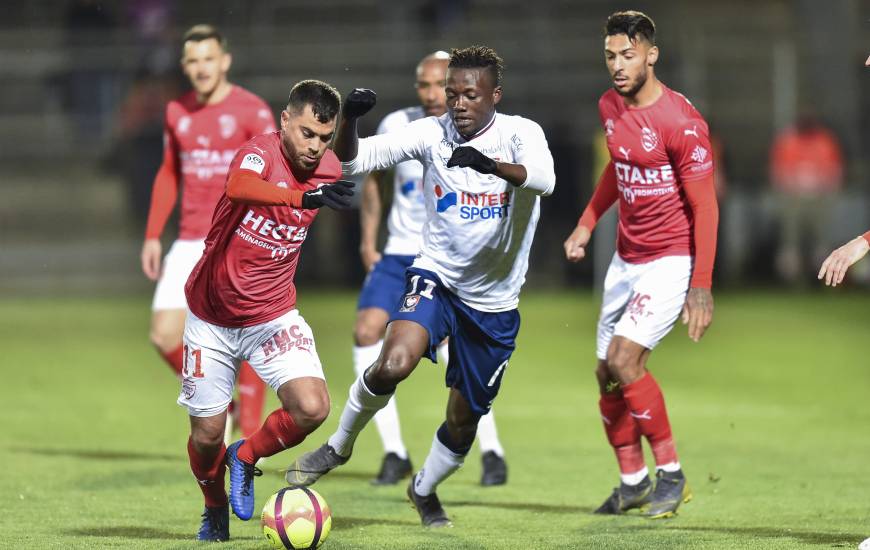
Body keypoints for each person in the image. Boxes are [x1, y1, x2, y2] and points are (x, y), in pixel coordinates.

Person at [287, 46, 555, 528]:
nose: (458, 105)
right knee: (392, 361)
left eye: (469, 95)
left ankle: (424, 489)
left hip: (494, 304)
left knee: (462, 420)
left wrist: (489, 165)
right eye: (452, 95)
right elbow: (355, 162)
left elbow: (544, 180)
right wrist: (350, 122)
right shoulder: (432, 133)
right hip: (437, 276)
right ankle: (338, 446)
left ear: (495, 94)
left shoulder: (521, 133)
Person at [179, 79, 354, 542]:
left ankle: (246, 457)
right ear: (283, 122)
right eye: (305, 133)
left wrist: (352, 124)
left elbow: (358, 160)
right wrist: (302, 198)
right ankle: (213, 507)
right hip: (212, 316)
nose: (314, 147)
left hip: (272, 315)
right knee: (206, 435)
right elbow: (239, 187)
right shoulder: (259, 152)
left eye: (324, 138)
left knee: (312, 408)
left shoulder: (329, 167)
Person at [563, 11, 718, 519]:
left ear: (652, 54)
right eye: (610, 55)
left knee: (627, 361)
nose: (617, 65)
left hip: (670, 261)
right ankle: (632, 482)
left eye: (627, 54)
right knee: (606, 372)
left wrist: (701, 285)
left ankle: (672, 476)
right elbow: (618, 165)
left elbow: (705, 206)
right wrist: (587, 222)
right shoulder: (610, 104)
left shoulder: (681, 122)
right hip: (625, 259)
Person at [354, 50, 508, 486]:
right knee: (368, 332)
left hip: (448, 262)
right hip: (399, 253)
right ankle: (393, 452)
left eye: (439, 84)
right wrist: (369, 240)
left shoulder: (482, 132)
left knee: (459, 356)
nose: (431, 93)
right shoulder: (398, 127)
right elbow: (375, 183)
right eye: (423, 84)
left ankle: (492, 450)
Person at [140, 25, 275, 443]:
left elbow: (272, 170)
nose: (201, 68)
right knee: (163, 334)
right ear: (185, 66)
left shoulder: (251, 110)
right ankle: (226, 403)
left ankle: (249, 433)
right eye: (193, 60)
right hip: (189, 238)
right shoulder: (176, 111)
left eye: (208, 59)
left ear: (225, 61)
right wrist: (152, 234)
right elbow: (169, 171)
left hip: (236, 236)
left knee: (246, 331)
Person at [769, 109, 844, 285]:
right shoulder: (788, 141)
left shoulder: (825, 141)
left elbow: (835, 171)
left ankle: (822, 280)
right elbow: (778, 172)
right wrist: (791, 186)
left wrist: (826, 188)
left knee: (820, 243)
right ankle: (790, 281)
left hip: (819, 199)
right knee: (790, 244)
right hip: (793, 200)